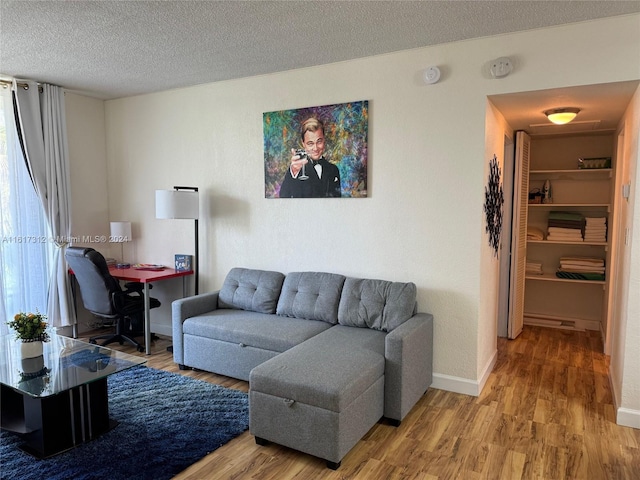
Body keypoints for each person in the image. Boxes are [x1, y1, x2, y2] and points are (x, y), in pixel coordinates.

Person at [279, 117, 341, 198]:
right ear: (303, 143)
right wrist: (293, 173)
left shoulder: (333, 169)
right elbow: (283, 196)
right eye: (310, 143)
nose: (315, 148)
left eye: (319, 141)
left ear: (324, 140)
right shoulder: (296, 170)